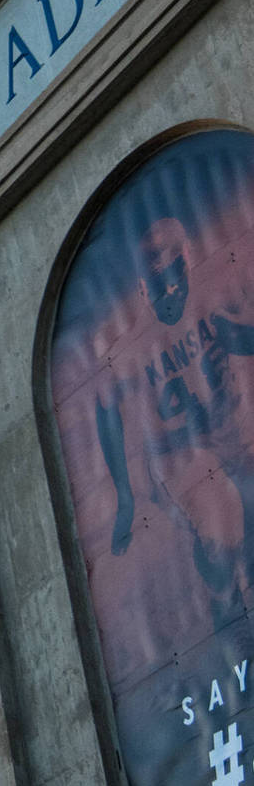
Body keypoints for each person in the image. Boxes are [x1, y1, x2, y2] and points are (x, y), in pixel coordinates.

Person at [96, 214, 254, 617]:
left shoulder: (211, 297)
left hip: (229, 432)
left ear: (187, 258)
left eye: (174, 272)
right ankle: (225, 604)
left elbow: (243, 338)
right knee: (222, 525)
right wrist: (126, 498)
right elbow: (105, 407)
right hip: (179, 453)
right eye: (158, 279)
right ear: (141, 288)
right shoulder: (130, 346)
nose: (169, 288)